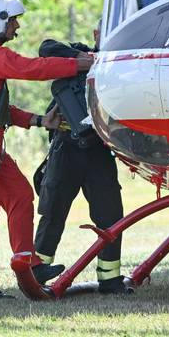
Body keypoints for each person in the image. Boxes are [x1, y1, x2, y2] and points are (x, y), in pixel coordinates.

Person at [0, 0, 94, 299]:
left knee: (19, 194)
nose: (16, 28)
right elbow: (30, 68)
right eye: (13, 21)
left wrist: (41, 121)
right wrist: (77, 65)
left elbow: (0, 108)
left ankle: (29, 267)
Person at [33, 21, 128, 294]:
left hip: (99, 151)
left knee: (110, 214)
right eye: (102, 31)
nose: (105, 36)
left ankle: (110, 279)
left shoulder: (121, 61)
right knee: (53, 210)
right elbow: (46, 47)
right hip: (66, 147)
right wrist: (85, 61)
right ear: (95, 35)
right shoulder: (80, 53)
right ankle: (37, 272)